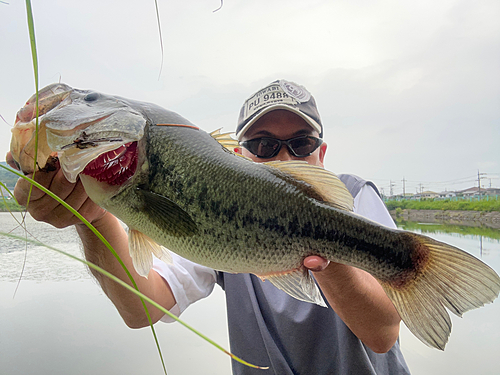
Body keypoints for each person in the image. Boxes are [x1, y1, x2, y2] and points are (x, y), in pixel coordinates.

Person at [10, 79, 410, 374]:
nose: (285, 156)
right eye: (264, 146)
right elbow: (142, 307)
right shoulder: (218, 222)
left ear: (321, 153)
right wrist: (93, 219)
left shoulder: (355, 197)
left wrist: (325, 245)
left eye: (301, 143)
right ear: (239, 156)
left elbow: (382, 334)